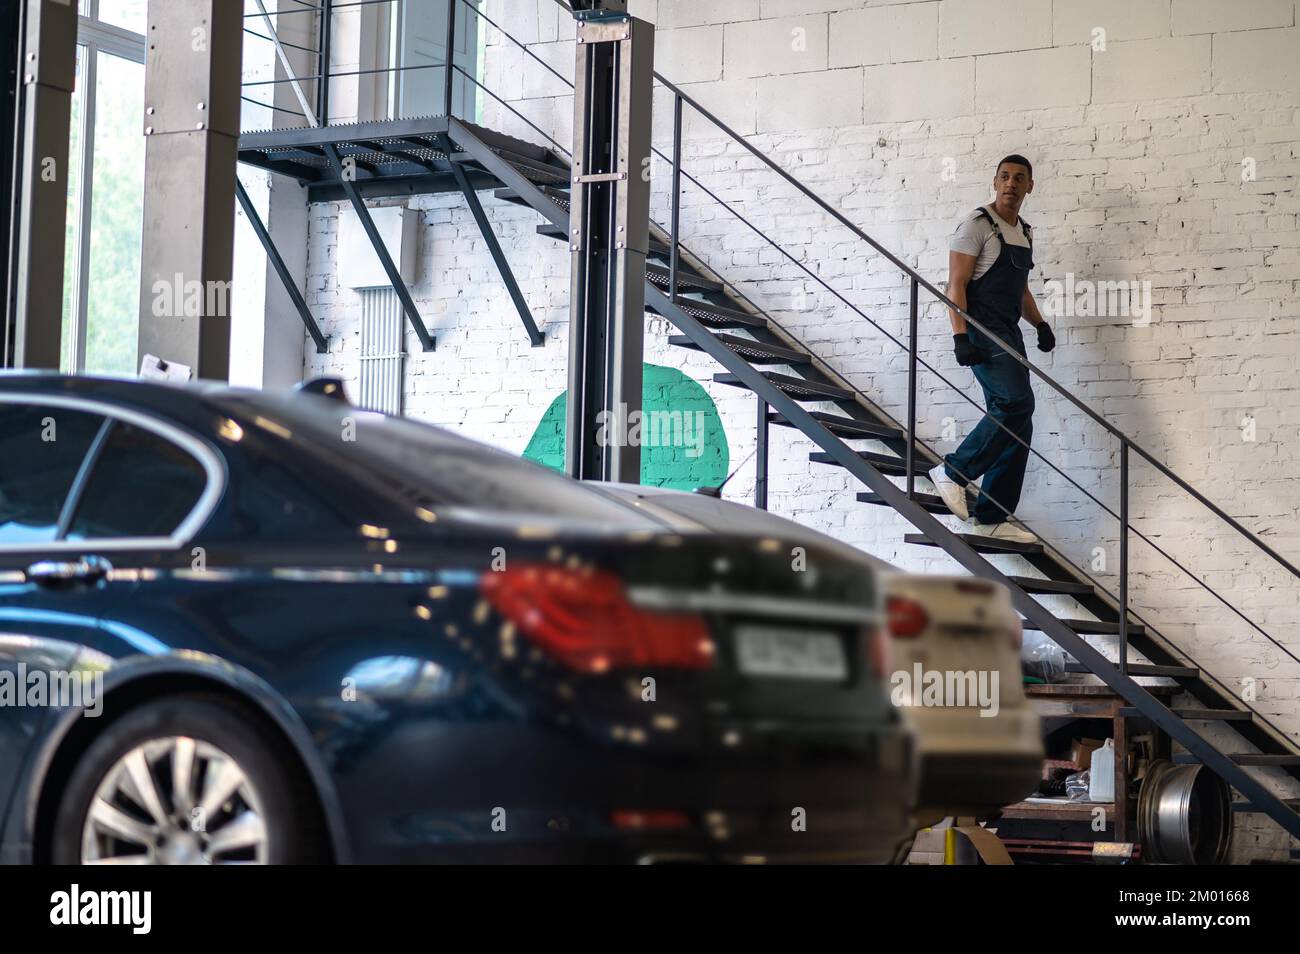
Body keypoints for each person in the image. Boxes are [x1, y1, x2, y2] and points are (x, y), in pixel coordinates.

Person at [928, 154, 1055, 544]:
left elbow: (1019, 290)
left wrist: (1040, 323)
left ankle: (991, 516)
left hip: (1009, 331)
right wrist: (960, 336)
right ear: (994, 181)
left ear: (1030, 186)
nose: (1011, 183)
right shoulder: (976, 225)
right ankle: (952, 472)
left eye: (1019, 178)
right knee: (1017, 404)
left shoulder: (1024, 232)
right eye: (1004, 176)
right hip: (981, 329)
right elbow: (957, 285)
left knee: (1019, 419)